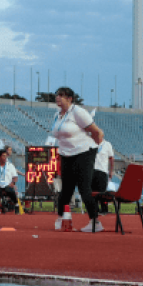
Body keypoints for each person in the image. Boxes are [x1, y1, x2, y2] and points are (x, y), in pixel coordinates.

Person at [48, 87, 106, 233]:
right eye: (57, 95)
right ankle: (61, 218)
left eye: (61, 95)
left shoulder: (78, 112)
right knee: (66, 189)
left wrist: (93, 150)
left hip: (84, 153)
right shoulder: (57, 115)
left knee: (84, 188)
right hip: (66, 154)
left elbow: (97, 132)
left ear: (70, 98)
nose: (58, 98)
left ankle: (95, 222)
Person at [0, 146, 19, 214]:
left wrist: (13, 183)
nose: (5, 158)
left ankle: (16, 204)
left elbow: (15, 177)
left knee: (9, 189)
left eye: (6, 156)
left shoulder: (10, 166)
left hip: (8, 185)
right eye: (3, 156)